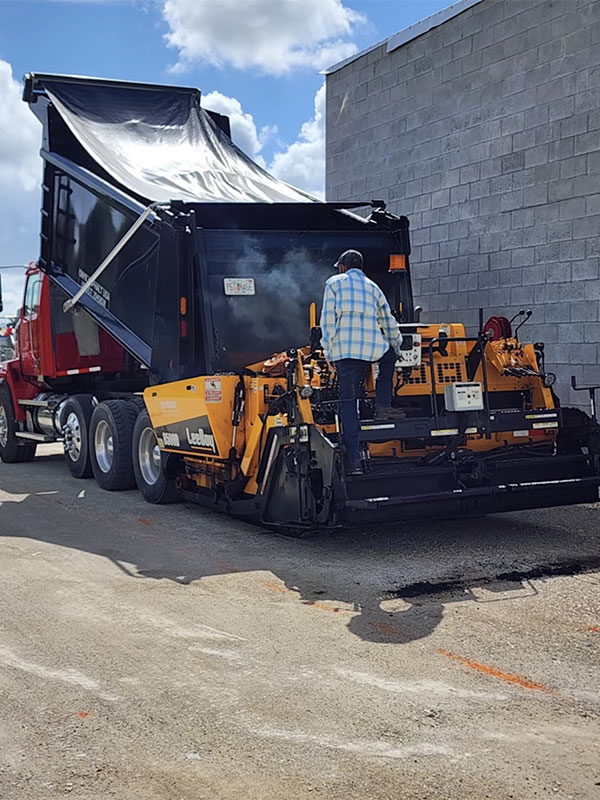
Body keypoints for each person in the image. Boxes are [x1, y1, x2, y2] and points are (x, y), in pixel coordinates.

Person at [320, 249, 405, 475]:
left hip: (345, 353)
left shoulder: (334, 283)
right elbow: (388, 321)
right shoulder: (373, 287)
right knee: (388, 357)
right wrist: (397, 346)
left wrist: (328, 350)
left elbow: (328, 320)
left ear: (342, 266)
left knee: (348, 402)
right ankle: (383, 406)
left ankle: (354, 461)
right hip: (372, 348)